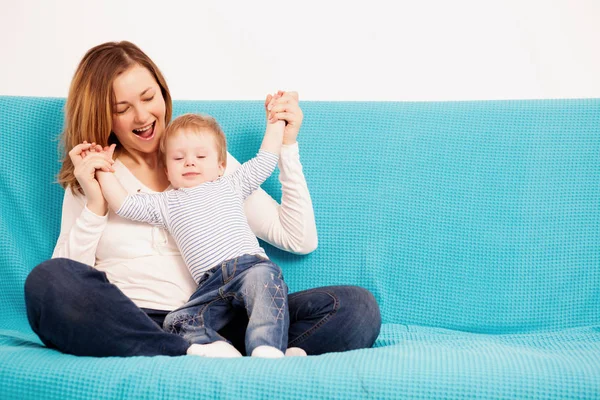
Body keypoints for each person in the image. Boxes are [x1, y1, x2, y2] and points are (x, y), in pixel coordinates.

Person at [24, 40, 381, 358]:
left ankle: (271, 358)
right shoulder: (94, 177)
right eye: (123, 108)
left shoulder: (204, 162)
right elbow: (67, 276)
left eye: (149, 98)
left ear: (163, 93)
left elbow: (298, 238)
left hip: (225, 316)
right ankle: (183, 348)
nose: (143, 116)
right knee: (47, 284)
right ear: (103, 115)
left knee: (356, 306)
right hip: (139, 321)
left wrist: (287, 144)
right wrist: (96, 203)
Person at [91, 111, 291, 358]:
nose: (189, 162)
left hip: (249, 267)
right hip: (209, 285)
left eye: (200, 156)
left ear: (220, 166)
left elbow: (264, 161)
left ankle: (267, 348)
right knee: (176, 320)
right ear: (167, 171)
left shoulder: (231, 184)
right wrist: (103, 170)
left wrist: (275, 124)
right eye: (178, 158)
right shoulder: (165, 203)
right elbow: (124, 205)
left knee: (266, 281)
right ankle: (219, 347)